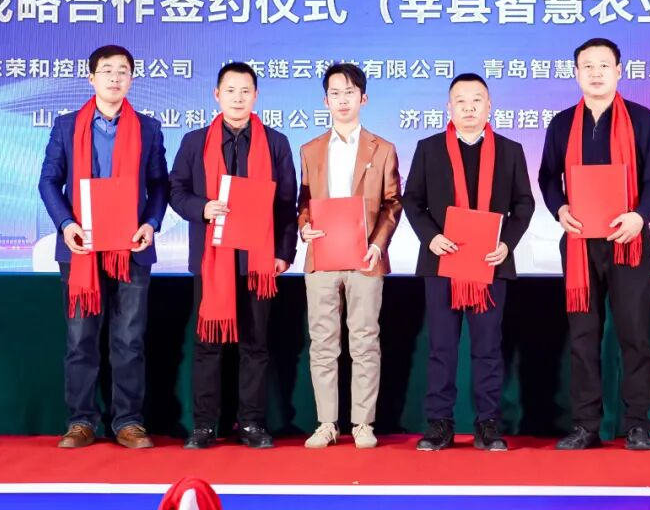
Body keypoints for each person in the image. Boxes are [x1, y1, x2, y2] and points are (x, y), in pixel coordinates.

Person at [538, 37, 650, 451]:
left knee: (634, 334)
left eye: (603, 65)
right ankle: (585, 425)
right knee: (583, 337)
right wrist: (559, 209)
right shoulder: (562, 124)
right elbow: (547, 177)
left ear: (618, 71)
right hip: (580, 243)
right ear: (576, 73)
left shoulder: (642, 119)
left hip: (629, 241)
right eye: (587, 66)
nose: (595, 73)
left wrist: (639, 217)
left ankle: (638, 424)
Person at [38, 44, 168, 449]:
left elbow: (159, 184)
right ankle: (81, 421)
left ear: (132, 78)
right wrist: (66, 225)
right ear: (91, 77)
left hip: (131, 246)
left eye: (123, 70)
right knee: (81, 339)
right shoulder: (66, 126)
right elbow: (49, 181)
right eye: (107, 70)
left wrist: (150, 223)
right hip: (81, 247)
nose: (115, 77)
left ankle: (128, 421)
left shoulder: (148, 128)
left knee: (129, 339)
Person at [401, 73, 534, 451]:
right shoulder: (429, 149)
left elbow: (524, 203)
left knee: (488, 348)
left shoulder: (510, 150)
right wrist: (431, 237)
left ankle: (488, 423)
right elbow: (412, 200)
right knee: (441, 347)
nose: (469, 107)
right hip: (442, 262)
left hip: (491, 262)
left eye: (477, 100)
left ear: (489, 106)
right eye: (461, 101)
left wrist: (507, 243)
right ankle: (439, 424)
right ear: (449, 107)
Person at [169, 62, 298, 449]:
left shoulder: (275, 143)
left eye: (245, 91)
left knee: (255, 345)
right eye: (230, 91)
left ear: (256, 96)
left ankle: (252, 424)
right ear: (217, 95)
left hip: (258, 261)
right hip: (211, 261)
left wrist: (284, 252)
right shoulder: (195, 142)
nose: (238, 98)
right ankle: (204, 426)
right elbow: (176, 191)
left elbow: (286, 202)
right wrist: (202, 208)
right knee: (208, 344)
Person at [296, 63, 402, 449]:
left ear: (363, 98)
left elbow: (393, 203)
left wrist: (378, 243)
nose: (343, 100)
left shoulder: (383, 148)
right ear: (325, 101)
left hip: (366, 257)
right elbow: (304, 200)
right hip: (322, 255)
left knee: (364, 340)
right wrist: (304, 225)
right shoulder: (310, 149)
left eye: (350, 92)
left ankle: (362, 423)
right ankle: (327, 423)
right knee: (323, 342)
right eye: (335, 94)